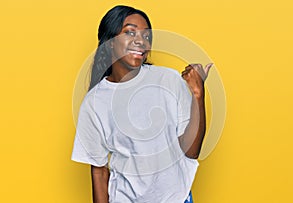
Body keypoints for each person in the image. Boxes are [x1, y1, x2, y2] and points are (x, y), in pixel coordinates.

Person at [71, 5, 212, 203]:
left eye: (146, 36)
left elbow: (191, 150)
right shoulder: (95, 102)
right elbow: (99, 172)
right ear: (110, 42)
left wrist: (198, 95)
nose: (141, 41)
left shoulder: (168, 80)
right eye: (130, 32)